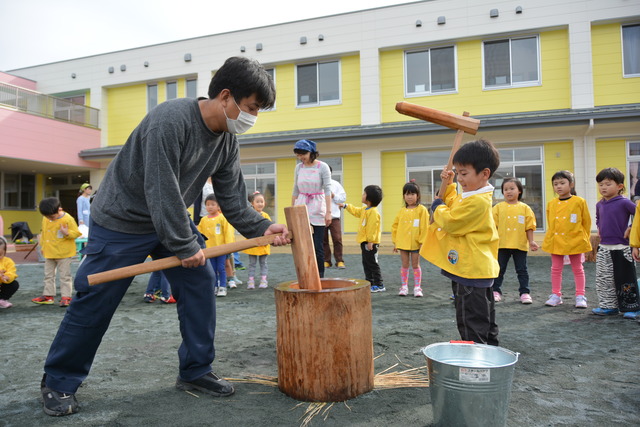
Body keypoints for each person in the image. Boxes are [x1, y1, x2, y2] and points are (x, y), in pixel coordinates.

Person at [39, 56, 289, 417]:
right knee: (95, 297)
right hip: (122, 220)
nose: (253, 117)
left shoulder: (226, 141)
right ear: (225, 96)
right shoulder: (170, 119)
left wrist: (263, 227)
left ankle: (196, 370)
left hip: (168, 219)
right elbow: (161, 189)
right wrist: (186, 246)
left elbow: (233, 200)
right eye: (251, 108)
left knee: (199, 284)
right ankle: (58, 382)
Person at [421, 139, 500, 345]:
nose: (461, 178)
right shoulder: (471, 195)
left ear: (484, 174)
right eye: (458, 172)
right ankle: (489, 354)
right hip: (473, 268)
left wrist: (437, 206)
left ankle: (476, 361)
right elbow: (454, 201)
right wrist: (448, 185)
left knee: (471, 321)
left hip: (471, 270)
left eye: (464, 173)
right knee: (484, 319)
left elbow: (452, 221)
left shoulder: (477, 201)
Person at [541, 170, 592, 308]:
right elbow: (551, 223)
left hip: (575, 240)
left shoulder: (579, 201)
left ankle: (580, 296)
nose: (559, 186)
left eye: (562, 183)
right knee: (555, 269)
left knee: (578, 268)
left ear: (571, 184)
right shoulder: (551, 203)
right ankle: (556, 295)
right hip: (556, 241)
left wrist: (583, 239)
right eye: (555, 184)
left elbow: (586, 222)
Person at [593, 168, 639, 316]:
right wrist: (599, 228)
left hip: (622, 247)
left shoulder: (625, 202)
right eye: (601, 184)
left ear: (619, 186)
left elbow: (638, 215)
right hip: (604, 247)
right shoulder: (599, 204)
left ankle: (631, 307)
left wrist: (631, 227)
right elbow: (598, 219)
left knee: (626, 278)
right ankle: (608, 306)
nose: (603, 187)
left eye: (607, 184)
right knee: (604, 279)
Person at [492, 178, 539, 304]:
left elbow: (529, 226)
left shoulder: (525, 208)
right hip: (502, 244)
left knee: (522, 270)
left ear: (519, 191)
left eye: (512, 188)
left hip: (520, 244)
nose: (508, 191)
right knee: (499, 269)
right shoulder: (497, 208)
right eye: (505, 189)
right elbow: (492, 227)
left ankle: (525, 293)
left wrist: (531, 241)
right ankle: (495, 291)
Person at [292, 139, 331, 278]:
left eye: (303, 154)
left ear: (311, 152)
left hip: (317, 205)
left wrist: (328, 212)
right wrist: (292, 210)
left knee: (317, 246)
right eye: (298, 154)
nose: (301, 157)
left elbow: (327, 189)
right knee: (302, 245)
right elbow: (295, 190)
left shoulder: (322, 167)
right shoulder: (298, 168)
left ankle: (320, 276)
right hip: (301, 205)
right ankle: (306, 274)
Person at [32, 198, 81, 308]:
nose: (49, 219)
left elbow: (77, 233)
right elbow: (44, 233)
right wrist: (42, 246)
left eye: (52, 217)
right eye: (47, 217)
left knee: (65, 276)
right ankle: (48, 296)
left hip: (64, 253)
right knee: (48, 275)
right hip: (49, 252)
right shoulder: (46, 218)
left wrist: (67, 233)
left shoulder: (67, 219)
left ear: (59, 209)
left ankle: (66, 297)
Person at [340, 185, 385, 292]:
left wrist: (370, 241)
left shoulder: (373, 212)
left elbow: (372, 228)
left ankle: (379, 284)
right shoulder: (365, 209)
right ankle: (369, 282)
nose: (362, 195)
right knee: (366, 263)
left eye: (364, 193)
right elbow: (356, 211)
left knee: (372, 263)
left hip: (370, 243)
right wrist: (346, 206)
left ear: (369, 198)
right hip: (364, 242)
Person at [391, 180, 429, 297]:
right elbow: (395, 227)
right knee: (405, 265)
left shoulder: (422, 210)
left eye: (412, 194)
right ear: (404, 196)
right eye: (407, 194)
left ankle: (417, 287)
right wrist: (396, 242)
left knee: (415, 265)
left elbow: (425, 226)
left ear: (418, 196)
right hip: (403, 243)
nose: (410, 197)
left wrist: (422, 242)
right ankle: (404, 287)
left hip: (416, 243)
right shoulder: (402, 211)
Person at [197, 195, 235, 297]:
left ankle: (222, 286)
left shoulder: (222, 218)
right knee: (212, 269)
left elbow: (228, 233)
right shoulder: (204, 220)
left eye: (213, 204)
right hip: (209, 250)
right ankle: (214, 286)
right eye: (208, 204)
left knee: (221, 268)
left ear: (218, 206)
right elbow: (199, 234)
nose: (210, 207)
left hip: (221, 249)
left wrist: (229, 246)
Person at [243, 191, 271, 289]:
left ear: (264, 203)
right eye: (257, 201)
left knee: (263, 263)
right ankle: (251, 280)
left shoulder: (266, 216)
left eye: (262, 202)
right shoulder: (250, 215)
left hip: (263, 245)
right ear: (252, 203)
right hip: (253, 245)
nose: (260, 204)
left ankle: (264, 280)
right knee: (252, 264)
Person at [323, 166, 347, 269]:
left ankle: (339, 261)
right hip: (320, 217)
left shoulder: (336, 184)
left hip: (334, 216)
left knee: (337, 239)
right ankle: (326, 261)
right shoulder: (318, 185)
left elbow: (343, 198)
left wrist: (333, 196)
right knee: (323, 240)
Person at [0, 236, 19, 309]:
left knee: (14, 284)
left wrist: (7, 277)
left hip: (2, 284)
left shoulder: (8, 261)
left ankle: (1, 299)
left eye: (1, 254)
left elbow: (12, 272)